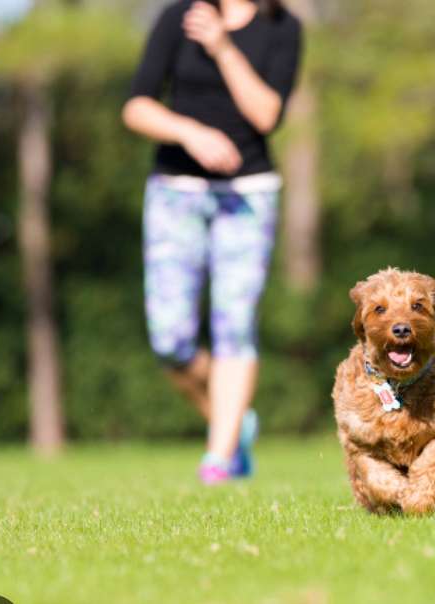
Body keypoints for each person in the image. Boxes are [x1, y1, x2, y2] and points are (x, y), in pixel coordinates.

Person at [122, 0, 301, 484]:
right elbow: (136, 106)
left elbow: (266, 115)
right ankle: (232, 420)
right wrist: (189, 132)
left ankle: (219, 459)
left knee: (234, 326)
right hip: (174, 193)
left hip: (248, 195)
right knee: (170, 339)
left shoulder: (282, 28)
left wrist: (223, 48)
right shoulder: (179, 16)